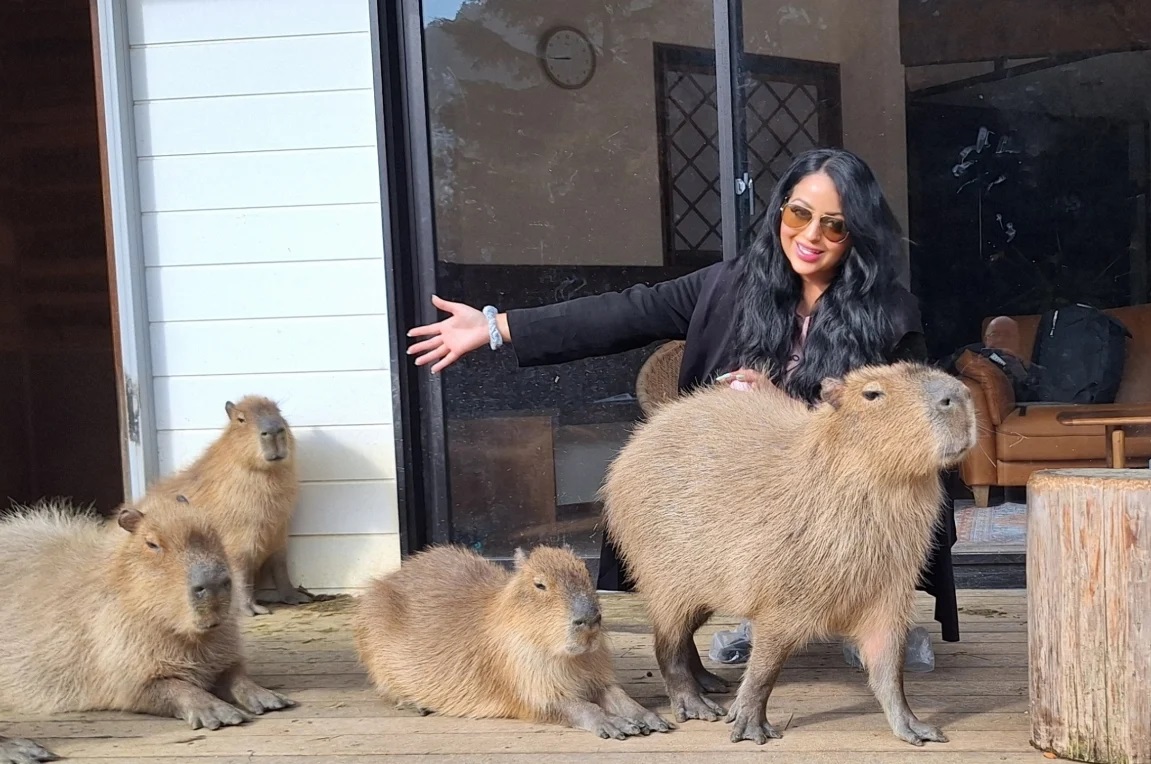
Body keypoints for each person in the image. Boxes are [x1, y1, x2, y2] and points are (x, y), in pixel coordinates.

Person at [406, 147, 961, 649]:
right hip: (754, 502)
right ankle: (755, 610)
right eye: (799, 214)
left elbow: (898, 431)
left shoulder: (890, 315)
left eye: (834, 226)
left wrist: (782, 405)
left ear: (855, 236)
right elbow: (624, 312)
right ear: (780, 213)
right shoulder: (728, 286)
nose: (810, 235)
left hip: (842, 510)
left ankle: (861, 620)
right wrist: (498, 326)